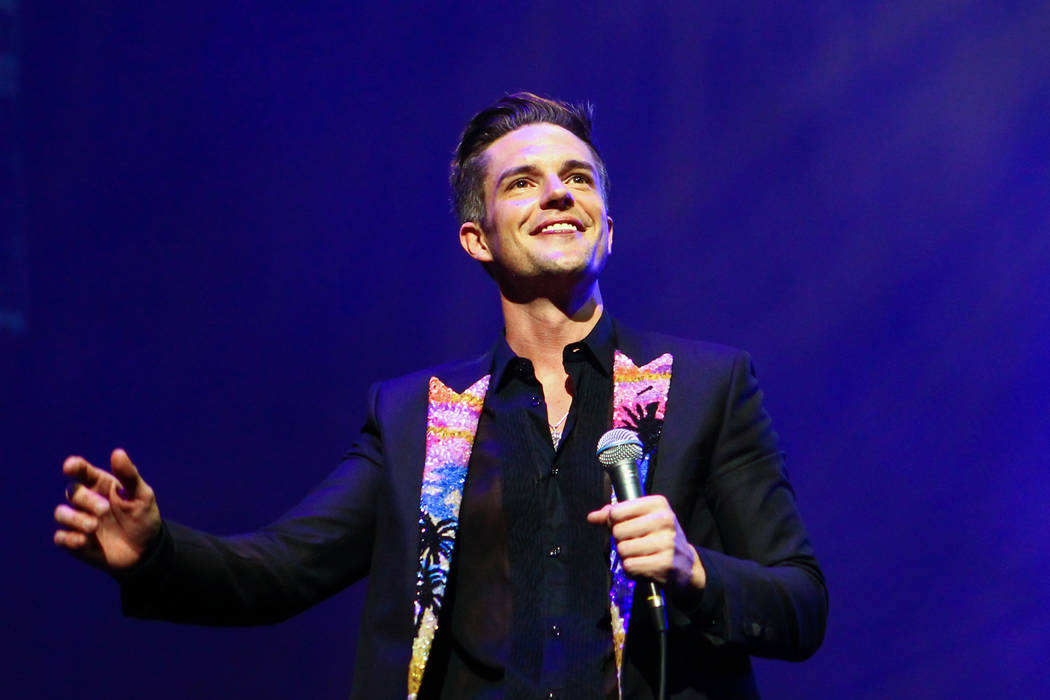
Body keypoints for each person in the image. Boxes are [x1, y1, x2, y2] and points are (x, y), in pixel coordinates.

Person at [54, 92, 827, 699]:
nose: (558, 194)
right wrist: (154, 553)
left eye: (577, 179)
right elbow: (281, 569)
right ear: (477, 237)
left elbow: (800, 604)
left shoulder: (705, 386)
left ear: (607, 229)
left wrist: (697, 570)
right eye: (523, 182)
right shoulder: (416, 419)